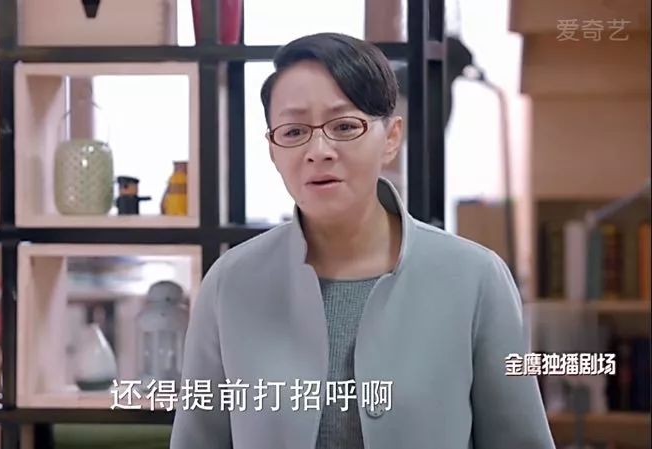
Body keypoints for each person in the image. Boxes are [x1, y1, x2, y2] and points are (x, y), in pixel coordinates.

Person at [170, 32, 555, 449]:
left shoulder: (475, 279)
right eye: (294, 131)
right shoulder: (231, 283)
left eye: (344, 126)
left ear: (391, 138)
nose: (319, 150)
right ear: (273, 150)